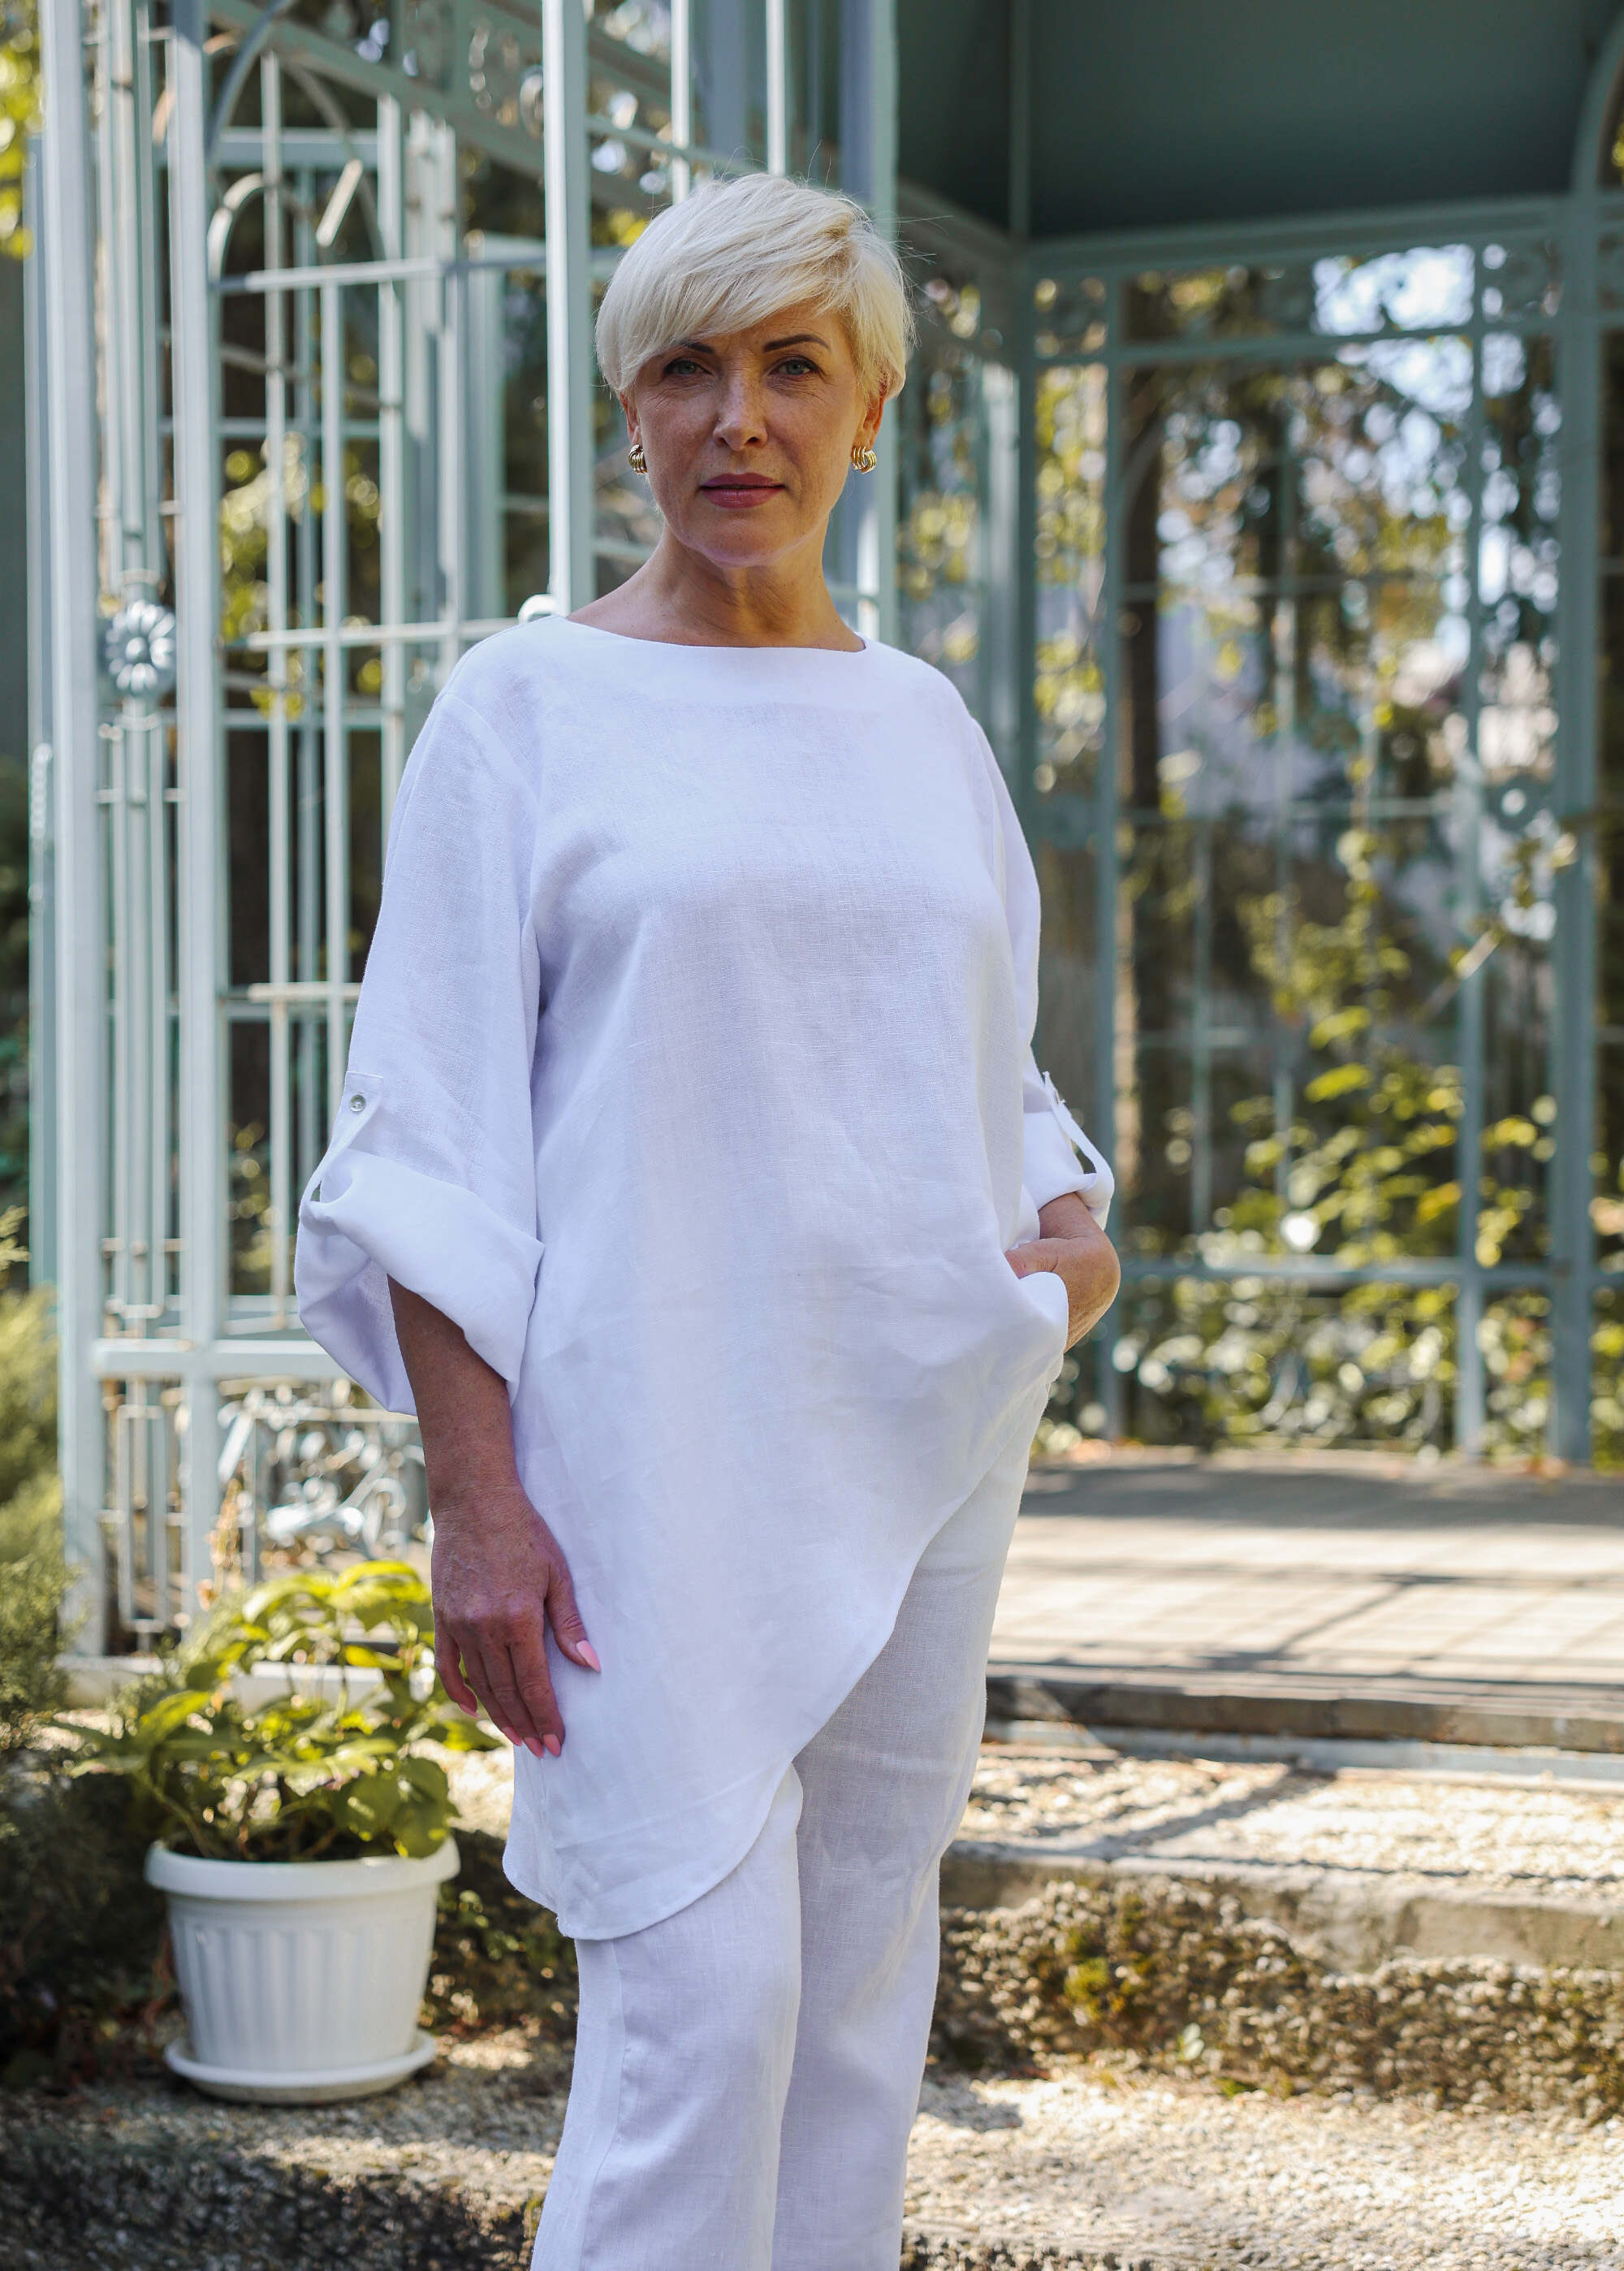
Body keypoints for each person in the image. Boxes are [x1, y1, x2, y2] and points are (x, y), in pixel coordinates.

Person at [294, 169, 1119, 2271]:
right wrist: (475, 1502)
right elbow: (433, 1134)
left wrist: (1068, 1224)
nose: (738, 417)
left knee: (854, 2005)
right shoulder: (527, 711)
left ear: (866, 414)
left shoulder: (921, 728)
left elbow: (990, 1066)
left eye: (789, 368)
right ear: (629, 411)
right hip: (643, 1466)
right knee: (705, 1999)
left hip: (919, 1450)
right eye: (687, 368)